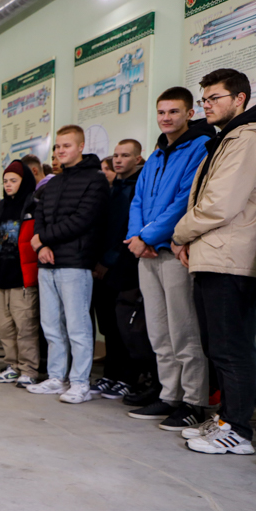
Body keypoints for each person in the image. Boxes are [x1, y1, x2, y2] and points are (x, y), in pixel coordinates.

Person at [172, 68, 256, 455]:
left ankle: (239, 431)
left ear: (240, 99)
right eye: (205, 99)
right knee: (220, 345)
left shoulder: (247, 139)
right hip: (215, 253)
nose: (206, 105)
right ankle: (228, 418)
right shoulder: (230, 138)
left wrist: (179, 234)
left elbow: (219, 205)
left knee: (231, 347)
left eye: (214, 98)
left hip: (230, 256)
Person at [125, 86, 215, 425]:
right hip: (145, 254)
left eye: (173, 111)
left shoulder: (200, 148)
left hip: (173, 251)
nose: (166, 118)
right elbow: (137, 199)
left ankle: (193, 402)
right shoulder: (158, 153)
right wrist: (136, 237)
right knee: (159, 333)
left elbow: (184, 201)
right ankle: (169, 395)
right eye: (162, 112)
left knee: (184, 331)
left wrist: (147, 236)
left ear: (190, 113)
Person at [26, 125, 109, 403]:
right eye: (58, 147)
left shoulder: (95, 180)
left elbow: (83, 221)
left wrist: (41, 239)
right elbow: (40, 215)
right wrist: (41, 245)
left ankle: (80, 382)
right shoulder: (53, 182)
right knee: (50, 325)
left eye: (67, 146)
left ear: (81, 146)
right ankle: (55, 377)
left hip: (75, 262)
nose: (61, 151)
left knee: (78, 327)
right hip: (47, 263)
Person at [91, 139, 149, 401]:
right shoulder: (113, 188)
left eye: (125, 155)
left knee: (127, 326)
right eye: (115, 155)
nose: (118, 160)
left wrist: (108, 260)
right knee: (109, 325)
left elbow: (126, 230)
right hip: (104, 267)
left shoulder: (138, 188)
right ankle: (111, 374)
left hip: (125, 267)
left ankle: (128, 377)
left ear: (138, 159)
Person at [0, 160, 39, 387]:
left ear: (24, 181)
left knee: (25, 326)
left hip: (23, 278)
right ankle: (12, 366)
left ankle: (28, 369)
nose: (8, 185)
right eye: (5, 181)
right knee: (6, 327)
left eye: (13, 181)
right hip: (3, 276)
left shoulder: (33, 206)